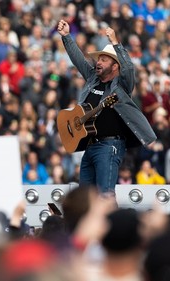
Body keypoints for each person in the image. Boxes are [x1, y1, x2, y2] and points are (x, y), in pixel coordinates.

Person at [57, 20, 156, 194]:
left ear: (115, 66)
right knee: (86, 199)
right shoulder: (92, 78)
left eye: (103, 59)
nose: (98, 63)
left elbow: (129, 69)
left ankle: (112, 222)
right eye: (98, 59)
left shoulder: (122, 86)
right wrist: (66, 36)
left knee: (105, 196)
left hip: (109, 146)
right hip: (89, 145)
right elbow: (78, 59)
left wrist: (116, 43)